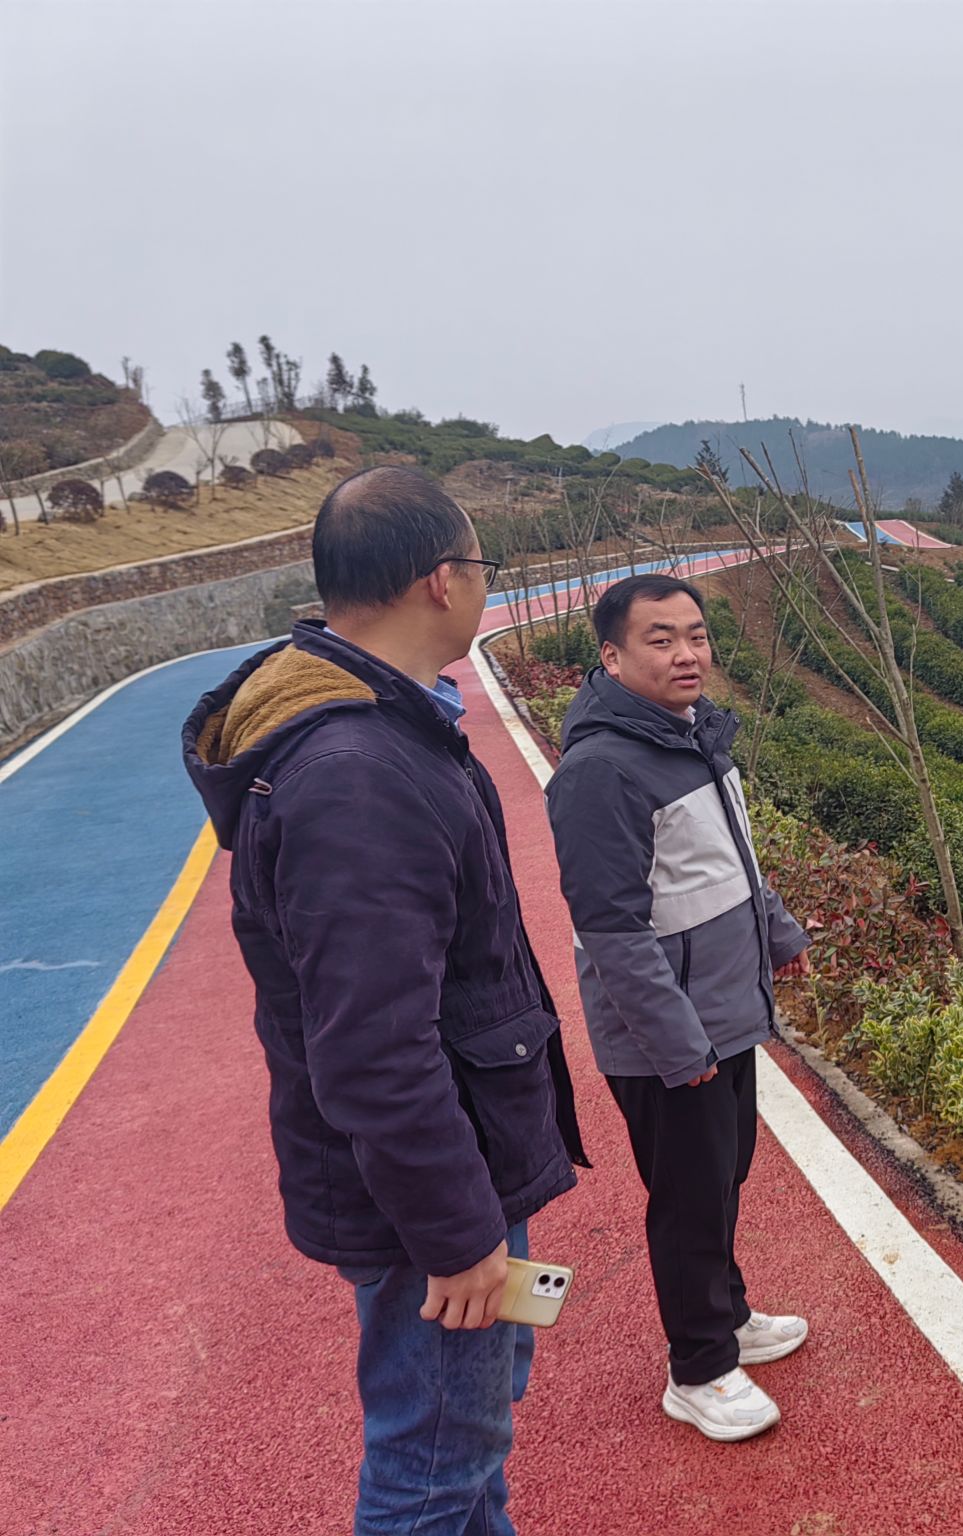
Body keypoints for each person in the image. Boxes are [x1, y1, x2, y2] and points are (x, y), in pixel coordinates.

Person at [184, 465, 586, 1536]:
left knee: (466, 1446)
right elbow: (373, 1049)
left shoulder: (376, 725)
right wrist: (458, 1235)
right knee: (432, 1465)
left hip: (442, 1164)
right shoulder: (357, 769)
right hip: (428, 1197)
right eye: (483, 566)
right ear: (442, 580)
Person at [544, 572, 812, 1442]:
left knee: (723, 1175)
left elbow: (732, 862)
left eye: (695, 635)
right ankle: (698, 1368)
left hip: (723, 1010)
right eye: (660, 639)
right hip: (671, 1034)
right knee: (689, 1197)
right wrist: (676, 1043)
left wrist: (780, 934)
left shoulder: (692, 737)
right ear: (612, 656)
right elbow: (611, 929)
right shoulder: (600, 773)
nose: (687, 653)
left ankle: (726, 1315)